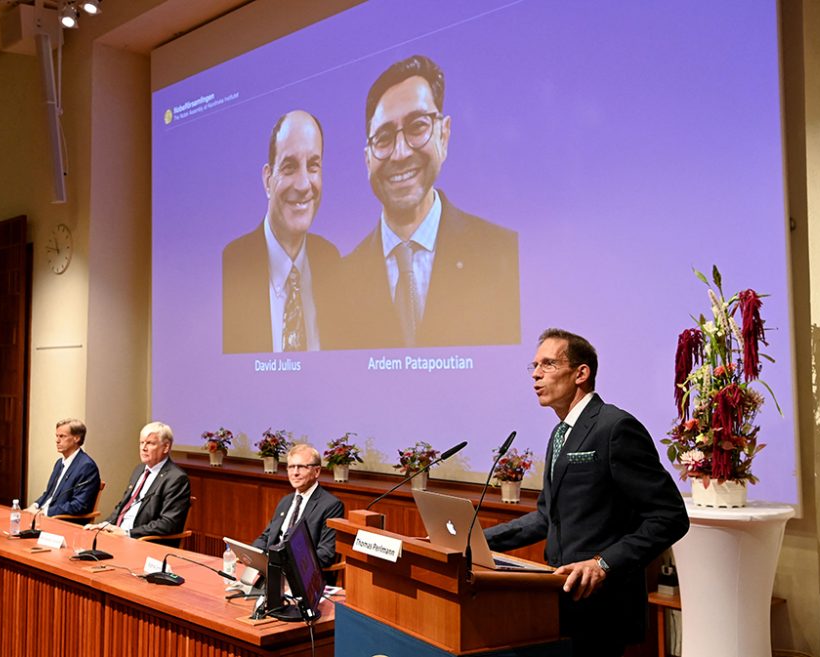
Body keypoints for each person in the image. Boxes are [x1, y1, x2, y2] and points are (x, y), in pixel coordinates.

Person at [484, 328, 689, 657]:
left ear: (581, 373)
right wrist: (478, 540)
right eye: (534, 366)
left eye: (548, 364)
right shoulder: (560, 433)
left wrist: (602, 564)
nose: (536, 374)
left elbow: (670, 517)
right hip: (558, 598)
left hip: (603, 607)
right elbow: (545, 516)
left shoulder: (615, 428)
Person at [342, 54, 520, 349]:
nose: (400, 153)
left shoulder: (502, 255)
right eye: (383, 138)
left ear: (444, 134)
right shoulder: (339, 280)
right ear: (366, 159)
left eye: (417, 127)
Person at [222, 110, 342, 353]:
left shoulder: (332, 261)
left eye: (313, 166)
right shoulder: (231, 265)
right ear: (268, 180)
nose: (303, 184)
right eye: (289, 167)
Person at [88, 421, 191, 548]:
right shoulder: (139, 470)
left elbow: (168, 523)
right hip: (118, 536)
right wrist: (105, 524)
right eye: (142, 443)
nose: (143, 448)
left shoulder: (176, 478)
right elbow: (124, 506)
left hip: (144, 542)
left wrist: (128, 533)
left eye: (150, 443)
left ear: (166, 447)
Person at [253, 443, 344, 570]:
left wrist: (288, 566)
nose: (295, 473)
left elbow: (325, 554)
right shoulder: (286, 501)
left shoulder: (331, 505)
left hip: (301, 575)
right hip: (270, 570)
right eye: (291, 467)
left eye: (301, 467)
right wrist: (252, 555)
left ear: (316, 471)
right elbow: (266, 537)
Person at [27, 418, 101, 522]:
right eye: (56, 436)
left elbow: (79, 505)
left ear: (77, 438)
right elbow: (49, 494)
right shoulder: (59, 463)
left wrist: (46, 512)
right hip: (44, 517)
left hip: (62, 522)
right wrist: (35, 506)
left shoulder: (87, 466)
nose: (57, 440)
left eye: (62, 436)